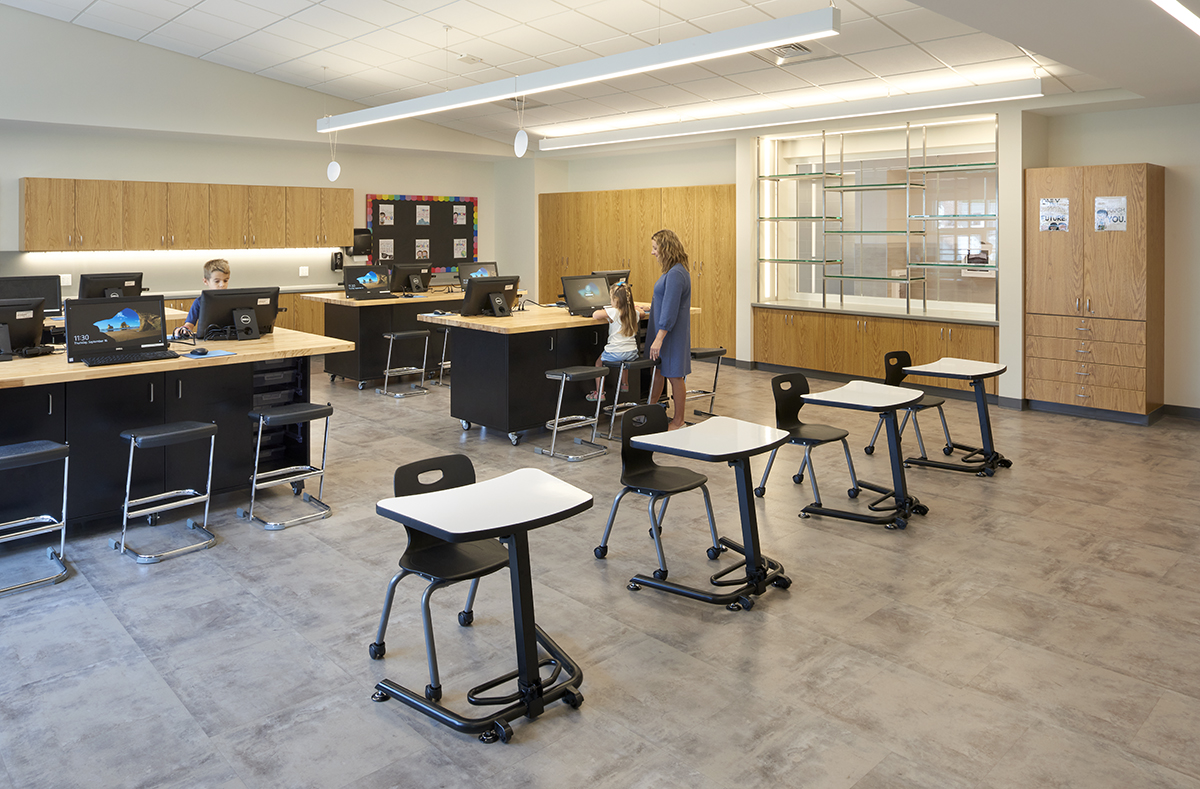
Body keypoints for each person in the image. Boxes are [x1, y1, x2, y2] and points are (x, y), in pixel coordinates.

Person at [646, 229, 691, 430]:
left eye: (655, 248)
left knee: (674, 375)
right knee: (658, 371)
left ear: (666, 249)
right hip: (664, 332)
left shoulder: (675, 274)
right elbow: (665, 300)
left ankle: (678, 421)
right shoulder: (673, 271)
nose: (653, 252)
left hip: (670, 334)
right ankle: (650, 412)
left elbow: (671, 307)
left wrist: (659, 338)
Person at [586, 280, 646, 401]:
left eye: (611, 299)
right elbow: (643, 313)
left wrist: (607, 309)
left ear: (616, 300)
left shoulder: (614, 311)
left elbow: (595, 315)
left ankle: (600, 393)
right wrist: (636, 308)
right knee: (623, 360)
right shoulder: (634, 313)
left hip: (615, 352)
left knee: (599, 363)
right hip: (632, 353)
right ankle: (624, 384)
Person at [176, 258, 230, 337]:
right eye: (217, 281)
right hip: (207, 340)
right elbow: (189, 324)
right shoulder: (199, 302)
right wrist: (184, 329)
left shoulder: (233, 300)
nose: (222, 285)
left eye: (225, 280)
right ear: (205, 281)